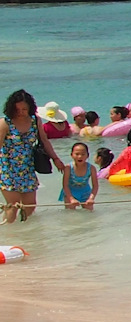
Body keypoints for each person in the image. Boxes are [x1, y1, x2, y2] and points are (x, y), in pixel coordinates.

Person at [2, 89, 67, 223]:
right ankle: (9, 236)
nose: (21, 112)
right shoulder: (5, 123)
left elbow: (44, 140)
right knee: (12, 207)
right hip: (8, 170)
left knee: (30, 208)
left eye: (24, 109)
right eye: (17, 109)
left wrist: (55, 159)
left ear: (30, 108)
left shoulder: (34, 120)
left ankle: (29, 239)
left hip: (27, 169)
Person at [61, 142, 98, 210]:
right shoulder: (68, 168)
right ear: (71, 155)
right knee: (70, 213)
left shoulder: (92, 168)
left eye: (83, 154)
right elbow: (65, 185)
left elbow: (95, 186)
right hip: (70, 192)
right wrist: (71, 198)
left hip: (85, 192)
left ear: (87, 155)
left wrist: (91, 198)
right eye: (77, 154)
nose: (80, 156)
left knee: (89, 212)